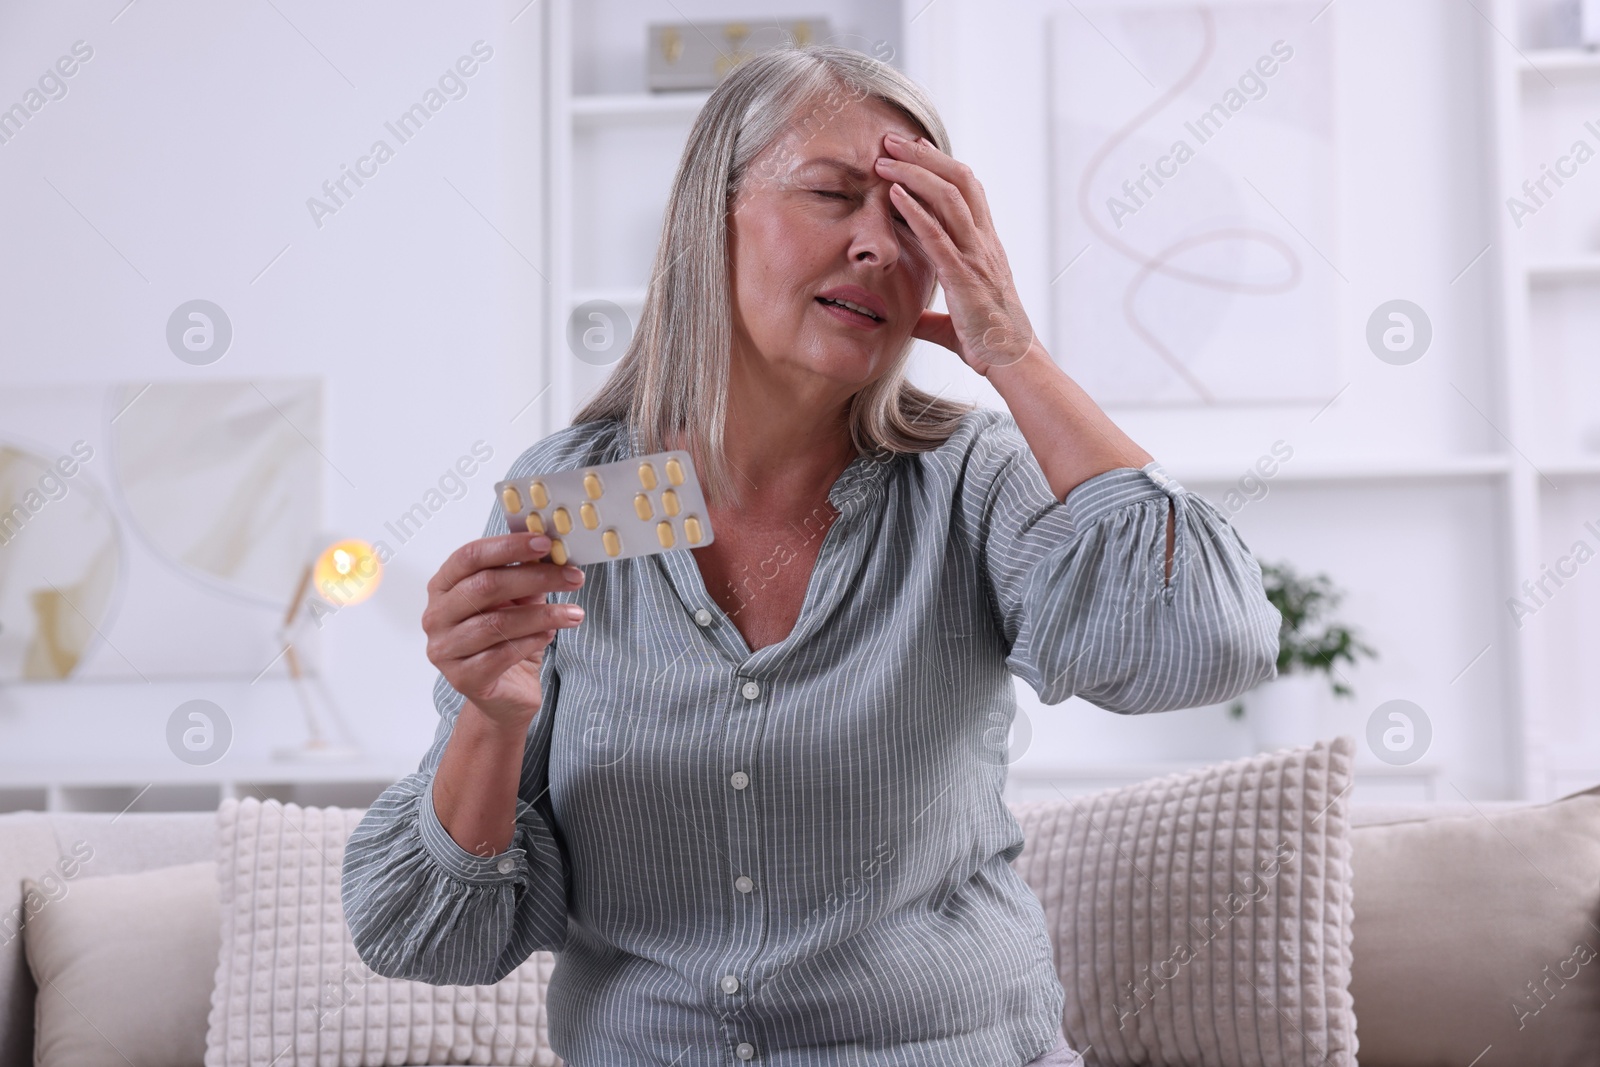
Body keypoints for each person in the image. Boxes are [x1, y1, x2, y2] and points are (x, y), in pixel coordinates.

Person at [342, 44, 1281, 1067]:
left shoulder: (967, 479)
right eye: (833, 195)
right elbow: (430, 933)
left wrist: (1010, 347)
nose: (879, 246)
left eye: (916, 219)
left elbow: (1209, 644)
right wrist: (490, 713)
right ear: (712, 219)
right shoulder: (587, 496)